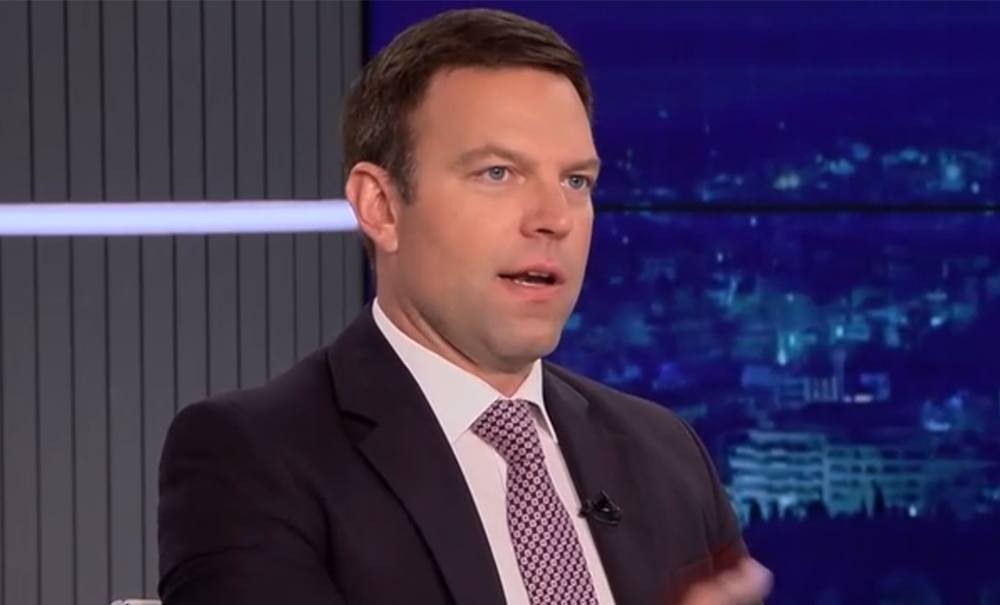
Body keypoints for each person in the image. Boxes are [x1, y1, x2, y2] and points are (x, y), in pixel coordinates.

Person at [158, 8, 772, 605]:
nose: (554, 218)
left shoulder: (665, 453)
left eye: (576, 181)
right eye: (498, 173)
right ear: (381, 206)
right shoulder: (254, 457)